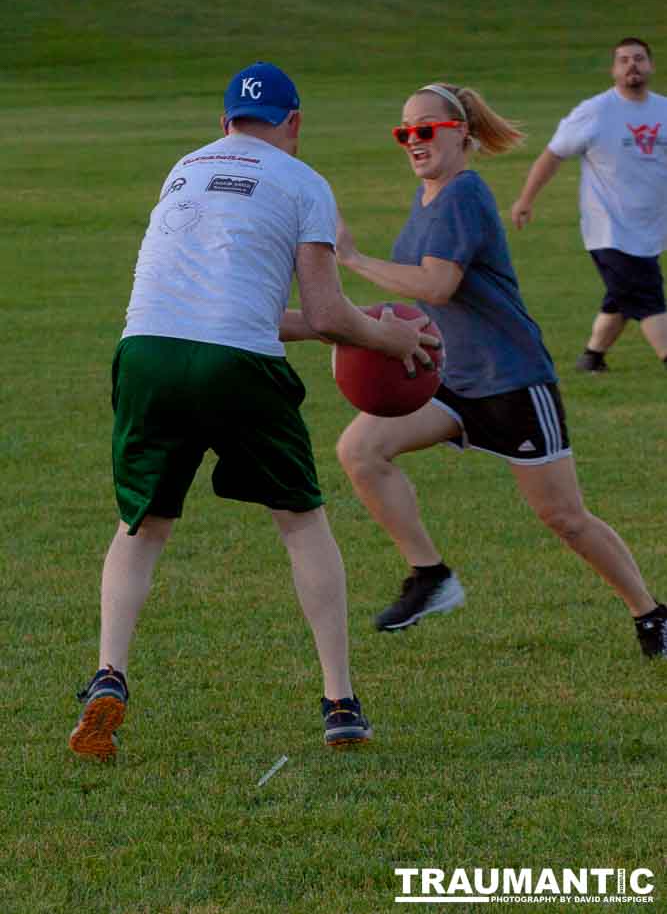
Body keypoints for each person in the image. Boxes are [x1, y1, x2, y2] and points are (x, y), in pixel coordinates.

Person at [68, 61, 439, 759]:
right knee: (300, 523)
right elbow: (327, 315)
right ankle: (339, 702)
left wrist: (359, 326)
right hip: (236, 363)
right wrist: (387, 335)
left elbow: (239, 308)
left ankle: (108, 673)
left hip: (146, 352)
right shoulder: (303, 181)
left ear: (224, 124)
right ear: (294, 124)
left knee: (140, 525)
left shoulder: (184, 166)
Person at [334, 79, 667, 658]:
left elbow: (438, 285)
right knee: (360, 450)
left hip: (511, 380)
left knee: (565, 517)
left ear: (460, 132)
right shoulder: (429, 196)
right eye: (404, 132)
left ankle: (652, 614)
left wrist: (354, 260)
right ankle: (431, 576)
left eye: (425, 129)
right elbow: (421, 296)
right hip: (452, 380)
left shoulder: (464, 193)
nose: (413, 141)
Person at [511, 37, 667, 373]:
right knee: (649, 298)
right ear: (614, 70)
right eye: (623, 60)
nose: (632, 65)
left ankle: (591, 357)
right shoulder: (595, 112)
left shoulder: (663, 110)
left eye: (639, 59)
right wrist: (526, 199)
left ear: (650, 65)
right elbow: (553, 155)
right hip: (608, 229)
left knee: (622, 298)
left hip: (649, 227)